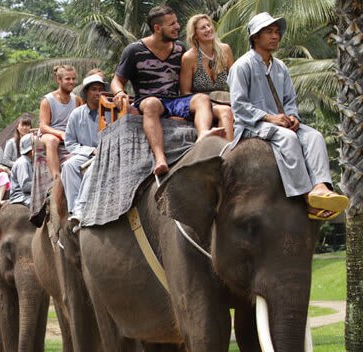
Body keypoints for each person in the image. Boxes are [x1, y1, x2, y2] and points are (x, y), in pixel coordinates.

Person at [228, 12, 349, 221]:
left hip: (281, 123)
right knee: (289, 138)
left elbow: (290, 100)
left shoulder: (280, 67)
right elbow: (238, 106)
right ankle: (305, 196)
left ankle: (321, 187)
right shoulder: (242, 66)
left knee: (314, 136)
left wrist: (292, 117)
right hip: (253, 125)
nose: (275, 36)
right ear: (255, 37)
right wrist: (270, 118)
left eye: (276, 32)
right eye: (268, 32)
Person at [111, 5, 225, 176]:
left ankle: (203, 137)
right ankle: (160, 158)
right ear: (157, 28)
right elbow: (117, 80)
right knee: (151, 104)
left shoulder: (179, 49)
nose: (177, 27)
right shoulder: (134, 50)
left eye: (176, 22)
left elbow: (189, 77)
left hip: (175, 101)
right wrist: (119, 93)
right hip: (149, 100)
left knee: (201, 98)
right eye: (172, 24)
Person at [180, 14, 235, 140]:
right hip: (202, 105)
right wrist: (206, 104)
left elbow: (235, 81)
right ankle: (226, 153)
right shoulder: (189, 57)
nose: (208, 29)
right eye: (203, 28)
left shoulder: (225, 50)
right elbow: (185, 92)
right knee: (225, 112)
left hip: (225, 99)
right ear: (195, 34)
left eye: (209, 25)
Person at [61, 73, 109, 215]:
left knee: (95, 166)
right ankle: (74, 211)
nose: (98, 93)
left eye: (100, 89)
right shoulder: (76, 114)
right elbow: (70, 143)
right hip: (85, 154)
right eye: (94, 89)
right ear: (86, 92)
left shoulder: (111, 111)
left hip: (106, 153)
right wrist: (90, 150)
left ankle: (82, 207)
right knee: (69, 166)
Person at [39, 65, 81, 178]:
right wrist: (61, 134)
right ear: (59, 80)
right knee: (52, 140)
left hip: (69, 135)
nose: (71, 82)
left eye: (73, 78)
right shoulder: (47, 100)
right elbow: (43, 127)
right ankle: (56, 177)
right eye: (68, 79)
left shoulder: (76, 100)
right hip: (50, 134)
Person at [9, 133, 34, 207]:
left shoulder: (30, 161)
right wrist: (41, 186)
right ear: (31, 149)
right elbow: (25, 186)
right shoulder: (23, 163)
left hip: (29, 195)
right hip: (22, 197)